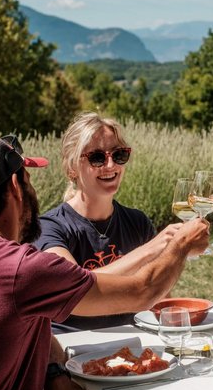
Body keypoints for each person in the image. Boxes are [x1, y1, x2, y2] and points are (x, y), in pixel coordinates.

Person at [0, 135, 209, 390]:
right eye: (29, 179)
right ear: (17, 186)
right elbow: (144, 292)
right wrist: (180, 244)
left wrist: (54, 373)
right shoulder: (21, 269)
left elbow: (34, 322)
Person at [35, 113, 177, 332]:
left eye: (119, 155)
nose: (110, 165)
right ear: (72, 167)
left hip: (132, 349)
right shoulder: (49, 227)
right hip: (71, 351)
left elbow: (160, 302)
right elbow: (73, 289)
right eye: (97, 158)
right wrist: (149, 251)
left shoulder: (137, 222)